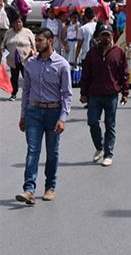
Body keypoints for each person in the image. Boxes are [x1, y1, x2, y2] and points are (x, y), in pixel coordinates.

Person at [15, 28, 72, 204]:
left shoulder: (62, 65)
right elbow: (26, 92)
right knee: (32, 150)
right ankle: (29, 189)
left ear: (50, 41)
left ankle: (50, 187)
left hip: (53, 113)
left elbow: (67, 94)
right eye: (36, 40)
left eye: (40, 40)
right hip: (33, 112)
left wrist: (62, 118)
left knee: (52, 153)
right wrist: (23, 115)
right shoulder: (30, 64)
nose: (37, 43)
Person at [80, 23, 129, 167]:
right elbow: (85, 75)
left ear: (112, 35)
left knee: (110, 125)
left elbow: (124, 74)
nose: (105, 38)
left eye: (108, 35)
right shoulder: (92, 53)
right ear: (99, 36)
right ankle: (99, 147)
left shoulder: (119, 52)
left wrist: (125, 93)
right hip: (94, 94)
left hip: (111, 94)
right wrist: (83, 93)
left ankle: (108, 154)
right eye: (103, 35)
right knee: (92, 122)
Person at [0, 16, 35, 101]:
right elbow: (3, 44)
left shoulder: (28, 32)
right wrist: (2, 49)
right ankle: (13, 94)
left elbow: (34, 45)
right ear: (13, 24)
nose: (18, 24)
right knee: (14, 78)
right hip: (12, 59)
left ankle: (30, 95)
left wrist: (34, 52)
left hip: (26, 59)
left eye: (20, 22)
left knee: (27, 78)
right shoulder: (9, 33)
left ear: (22, 23)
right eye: (16, 22)